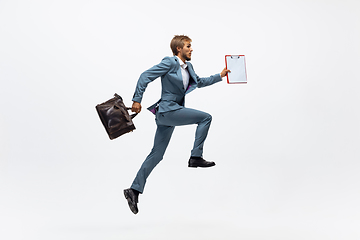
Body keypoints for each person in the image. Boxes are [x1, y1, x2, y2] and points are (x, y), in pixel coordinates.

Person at [124, 35, 230, 214]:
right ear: (179, 49)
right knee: (205, 118)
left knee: (156, 155)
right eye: (188, 46)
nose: (191, 49)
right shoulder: (170, 62)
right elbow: (145, 76)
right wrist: (137, 99)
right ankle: (196, 156)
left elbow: (200, 82)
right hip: (168, 110)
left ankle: (133, 190)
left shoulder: (188, 67)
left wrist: (220, 76)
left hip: (170, 114)